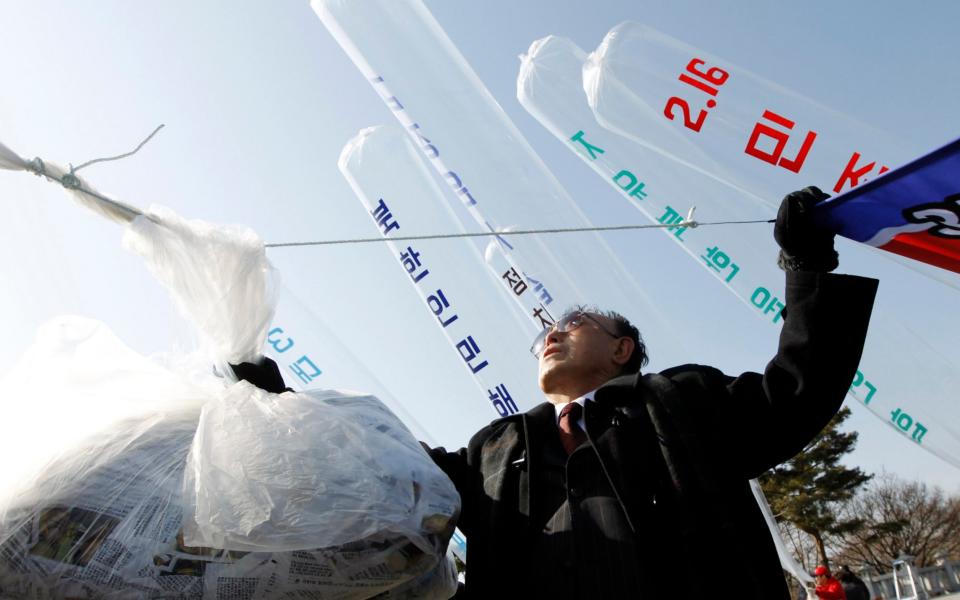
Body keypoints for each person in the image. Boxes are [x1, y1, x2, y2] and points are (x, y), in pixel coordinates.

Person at [232, 187, 878, 599]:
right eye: (547, 329)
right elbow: (394, 470)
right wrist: (285, 405)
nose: (552, 332)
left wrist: (807, 268)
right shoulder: (495, 448)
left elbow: (796, 392)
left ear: (622, 349)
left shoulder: (682, 403)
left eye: (575, 324)